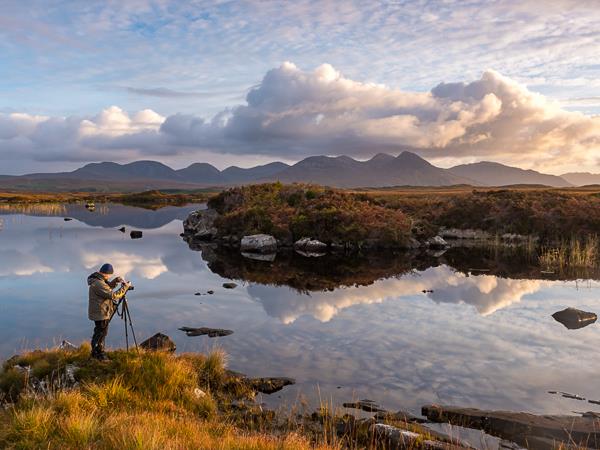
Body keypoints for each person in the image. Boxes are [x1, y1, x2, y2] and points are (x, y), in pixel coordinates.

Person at [87, 263, 131, 360]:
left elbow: (106, 288)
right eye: (110, 275)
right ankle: (99, 353)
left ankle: (96, 352)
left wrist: (115, 281)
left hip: (99, 311)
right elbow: (113, 295)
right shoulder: (98, 283)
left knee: (99, 332)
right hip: (101, 313)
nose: (109, 277)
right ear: (106, 274)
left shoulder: (98, 280)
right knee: (101, 333)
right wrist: (125, 287)